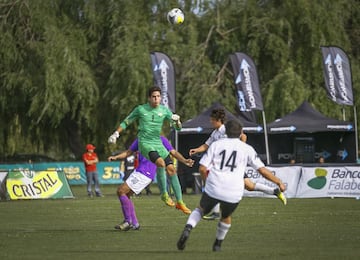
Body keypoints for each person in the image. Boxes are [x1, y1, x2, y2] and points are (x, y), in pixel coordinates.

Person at [177, 119, 287, 251]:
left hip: (214, 187)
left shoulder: (216, 145)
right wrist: (278, 181)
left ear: (226, 131)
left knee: (200, 210)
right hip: (234, 192)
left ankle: (188, 228)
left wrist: (207, 183)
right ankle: (217, 244)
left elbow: (202, 168)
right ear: (240, 132)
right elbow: (262, 171)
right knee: (226, 216)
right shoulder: (247, 149)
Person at [189, 108, 286, 220]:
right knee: (249, 186)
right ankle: (274, 191)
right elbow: (206, 145)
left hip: (233, 165)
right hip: (225, 165)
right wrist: (196, 150)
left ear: (218, 120)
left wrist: (239, 150)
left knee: (217, 183)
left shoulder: (226, 129)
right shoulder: (215, 133)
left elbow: (243, 136)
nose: (210, 122)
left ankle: (215, 213)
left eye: (212, 119)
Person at [108, 86, 182, 207]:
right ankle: (132, 221)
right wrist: (116, 133)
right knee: (124, 193)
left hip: (146, 171)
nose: (156, 99)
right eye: (153, 96)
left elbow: (177, 129)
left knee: (123, 191)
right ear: (149, 98)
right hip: (142, 168)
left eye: (158, 96)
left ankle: (170, 196)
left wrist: (177, 122)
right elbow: (126, 122)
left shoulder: (164, 112)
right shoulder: (141, 110)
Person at [108, 136, 194, 231]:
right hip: (139, 171)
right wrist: (116, 157)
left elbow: (173, 152)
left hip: (146, 172)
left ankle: (128, 221)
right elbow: (128, 152)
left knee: (121, 191)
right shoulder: (139, 138)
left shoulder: (161, 139)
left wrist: (184, 160)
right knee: (126, 194)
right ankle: (135, 223)